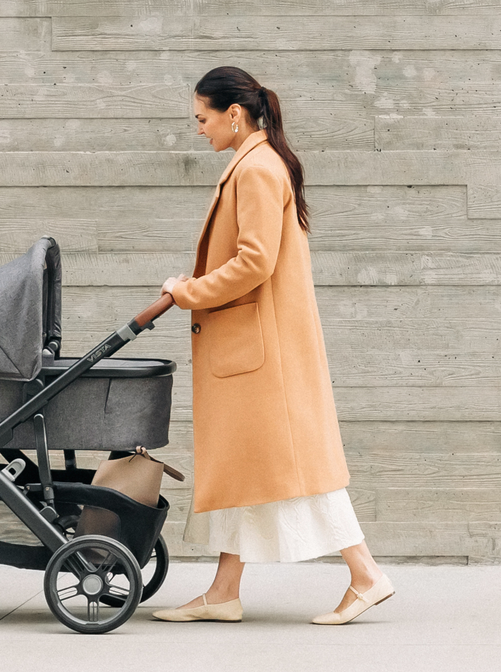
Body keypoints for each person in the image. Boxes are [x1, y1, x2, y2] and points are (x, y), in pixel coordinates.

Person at [154, 67, 394, 625]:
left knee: (298, 470)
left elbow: (254, 261)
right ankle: (224, 591)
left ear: (232, 115)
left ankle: (366, 575)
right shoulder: (258, 163)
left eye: (202, 119)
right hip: (256, 349)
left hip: (262, 354)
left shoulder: (257, 169)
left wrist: (187, 292)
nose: (199, 130)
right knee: (250, 467)